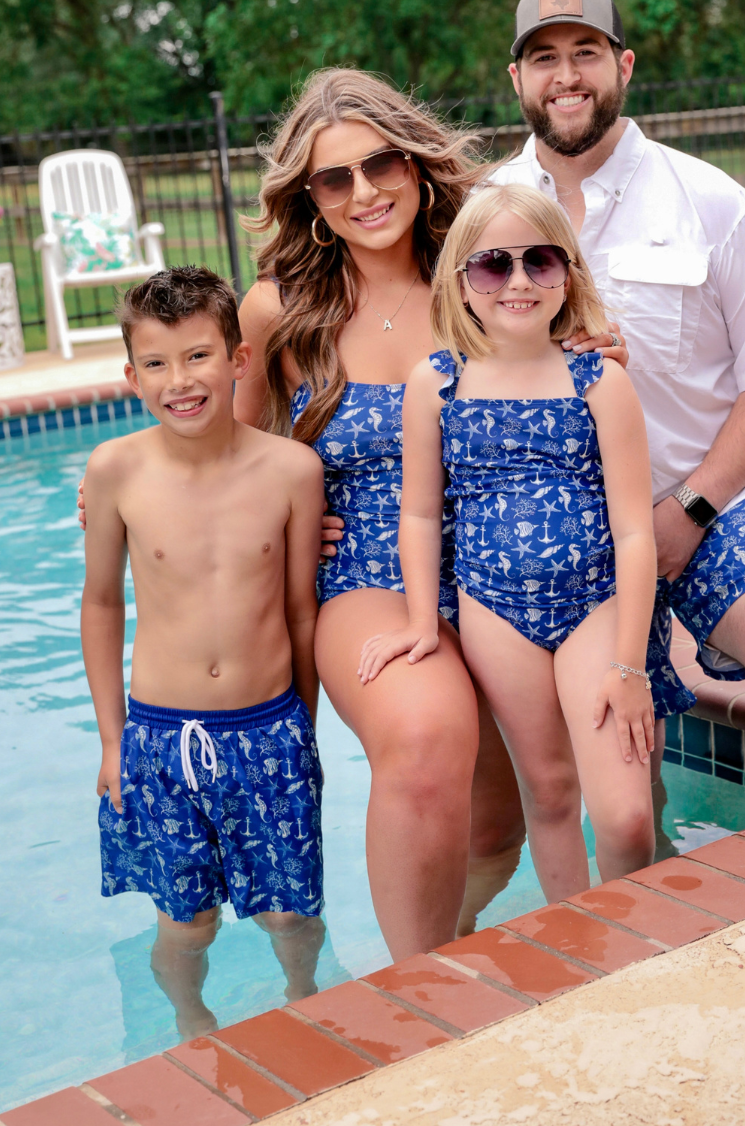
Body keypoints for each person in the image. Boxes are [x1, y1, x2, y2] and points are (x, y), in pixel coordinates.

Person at [235, 69, 627, 957]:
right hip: (369, 567)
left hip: (502, 569)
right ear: (309, 196)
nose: (364, 192)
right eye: (335, 178)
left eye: (381, 165)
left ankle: (455, 940)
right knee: (423, 733)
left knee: (496, 829)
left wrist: (598, 348)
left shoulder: (495, 272)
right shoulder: (282, 310)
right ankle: (414, 1004)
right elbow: (228, 456)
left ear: (416, 165)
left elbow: (575, 381)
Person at [489, 0, 745, 817]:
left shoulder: (712, 202)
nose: (566, 75)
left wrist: (688, 509)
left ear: (623, 65)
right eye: (543, 58)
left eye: (586, 52)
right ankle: (648, 901)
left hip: (706, 497)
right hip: (556, 523)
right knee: (622, 794)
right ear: (517, 81)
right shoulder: (483, 218)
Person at [360, 184, 693, 895]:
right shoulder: (438, 383)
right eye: (492, 266)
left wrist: (630, 666)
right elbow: (418, 514)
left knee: (627, 815)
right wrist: (423, 619)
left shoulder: (598, 381)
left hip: (596, 606)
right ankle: (587, 955)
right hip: (493, 611)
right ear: (462, 284)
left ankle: (633, 935)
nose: (517, 281)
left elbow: (636, 532)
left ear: (565, 274)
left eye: (539, 262)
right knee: (547, 793)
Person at [81, 266, 325, 1038]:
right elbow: (100, 604)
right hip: (159, 739)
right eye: (155, 364)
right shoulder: (116, 470)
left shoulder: (291, 470)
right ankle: (190, 1024)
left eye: (197, 356)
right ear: (131, 376)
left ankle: (302, 1000)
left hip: (269, 729)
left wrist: (304, 731)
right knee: (187, 924)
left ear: (239, 360)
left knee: (289, 914)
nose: (178, 381)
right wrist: (113, 741)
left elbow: (298, 611)